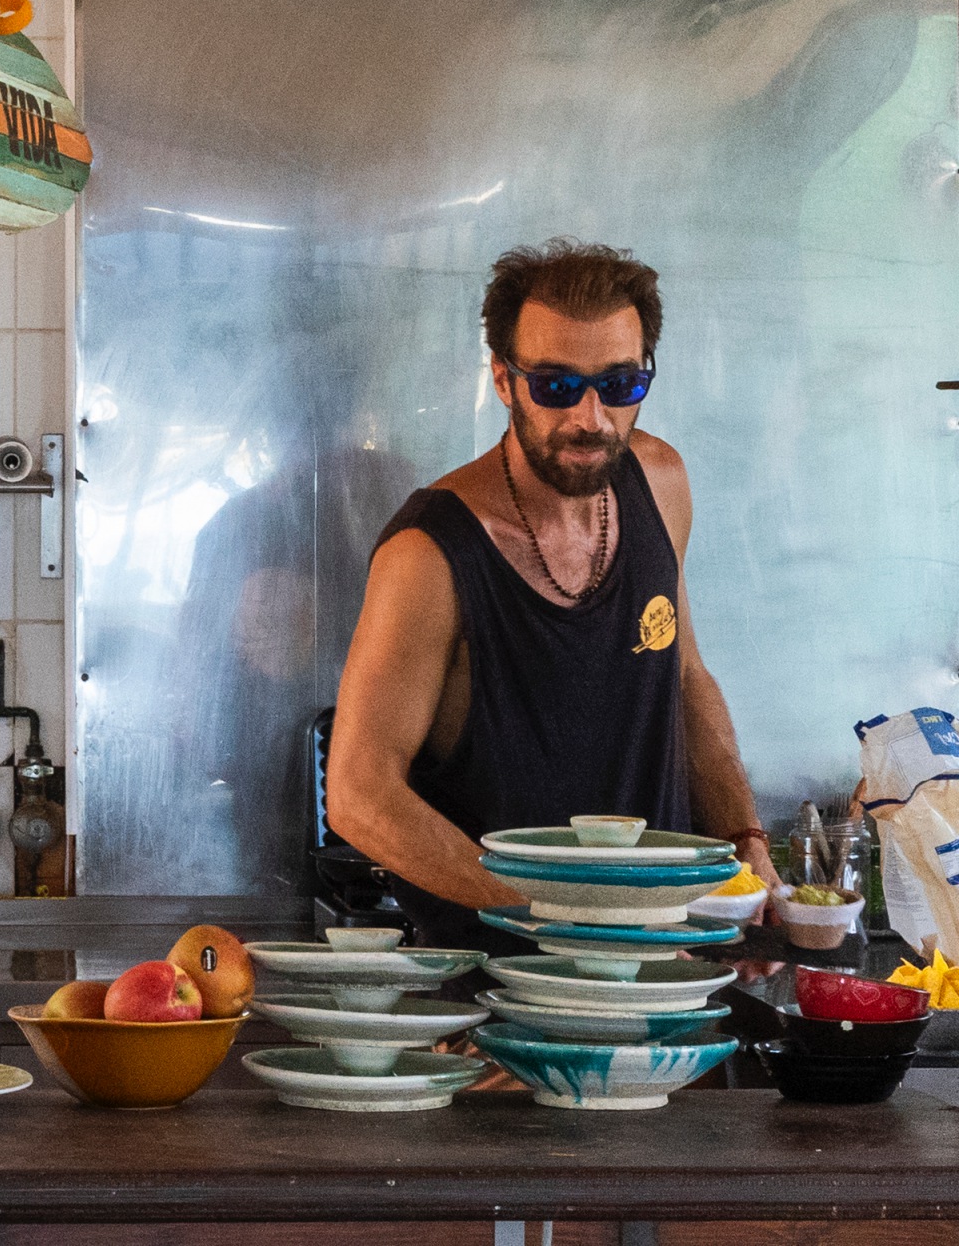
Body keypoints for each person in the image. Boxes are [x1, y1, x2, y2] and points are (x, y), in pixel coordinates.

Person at [326, 239, 780, 953]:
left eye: (620, 385)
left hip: (661, 973)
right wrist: (548, 912)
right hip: (497, 996)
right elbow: (359, 794)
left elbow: (685, 680)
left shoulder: (661, 482)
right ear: (504, 382)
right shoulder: (430, 553)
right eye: (558, 387)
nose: (591, 418)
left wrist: (743, 837)